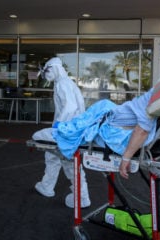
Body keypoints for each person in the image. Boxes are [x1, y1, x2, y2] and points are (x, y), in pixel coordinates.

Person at [32, 57, 91, 208]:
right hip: (73, 130)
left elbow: (70, 107)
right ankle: (47, 186)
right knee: (52, 155)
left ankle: (82, 197)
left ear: (55, 69)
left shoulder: (62, 84)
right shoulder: (67, 83)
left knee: (67, 160)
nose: (45, 75)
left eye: (47, 71)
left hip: (67, 131)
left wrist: (60, 126)